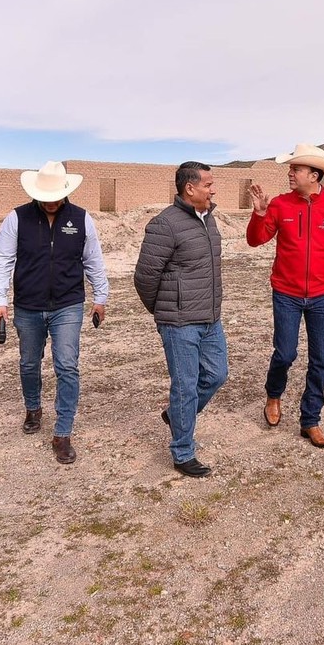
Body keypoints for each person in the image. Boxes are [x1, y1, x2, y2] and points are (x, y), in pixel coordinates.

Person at [0, 161, 109, 464]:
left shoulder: (81, 219)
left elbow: (93, 260)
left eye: (56, 195)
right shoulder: (17, 218)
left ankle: (63, 432)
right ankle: (33, 407)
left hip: (68, 304)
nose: (51, 201)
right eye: (46, 196)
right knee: (30, 363)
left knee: (67, 366)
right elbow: (1, 260)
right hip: (28, 305)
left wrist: (101, 296)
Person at [246, 144, 324, 448]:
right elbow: (255, 241)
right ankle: (273, 394)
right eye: (292, 168)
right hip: (286, 293)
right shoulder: (281, 205)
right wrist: (259, 214)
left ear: (314, 174)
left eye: (295, 169)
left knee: (321, 360)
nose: (290, 174)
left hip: (322, 295)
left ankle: (311, 420)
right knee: (285, 353)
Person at [134, 161, 228, 478]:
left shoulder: (209, 219)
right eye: (208, 184)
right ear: (190, 188)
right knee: (185, 387)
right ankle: (183, 452)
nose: (213, 189)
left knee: (217, 374)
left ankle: (176, 415)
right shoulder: (165, 224)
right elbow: (145, 278)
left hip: (210, 318)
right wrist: (165, 311)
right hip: (179, 323)